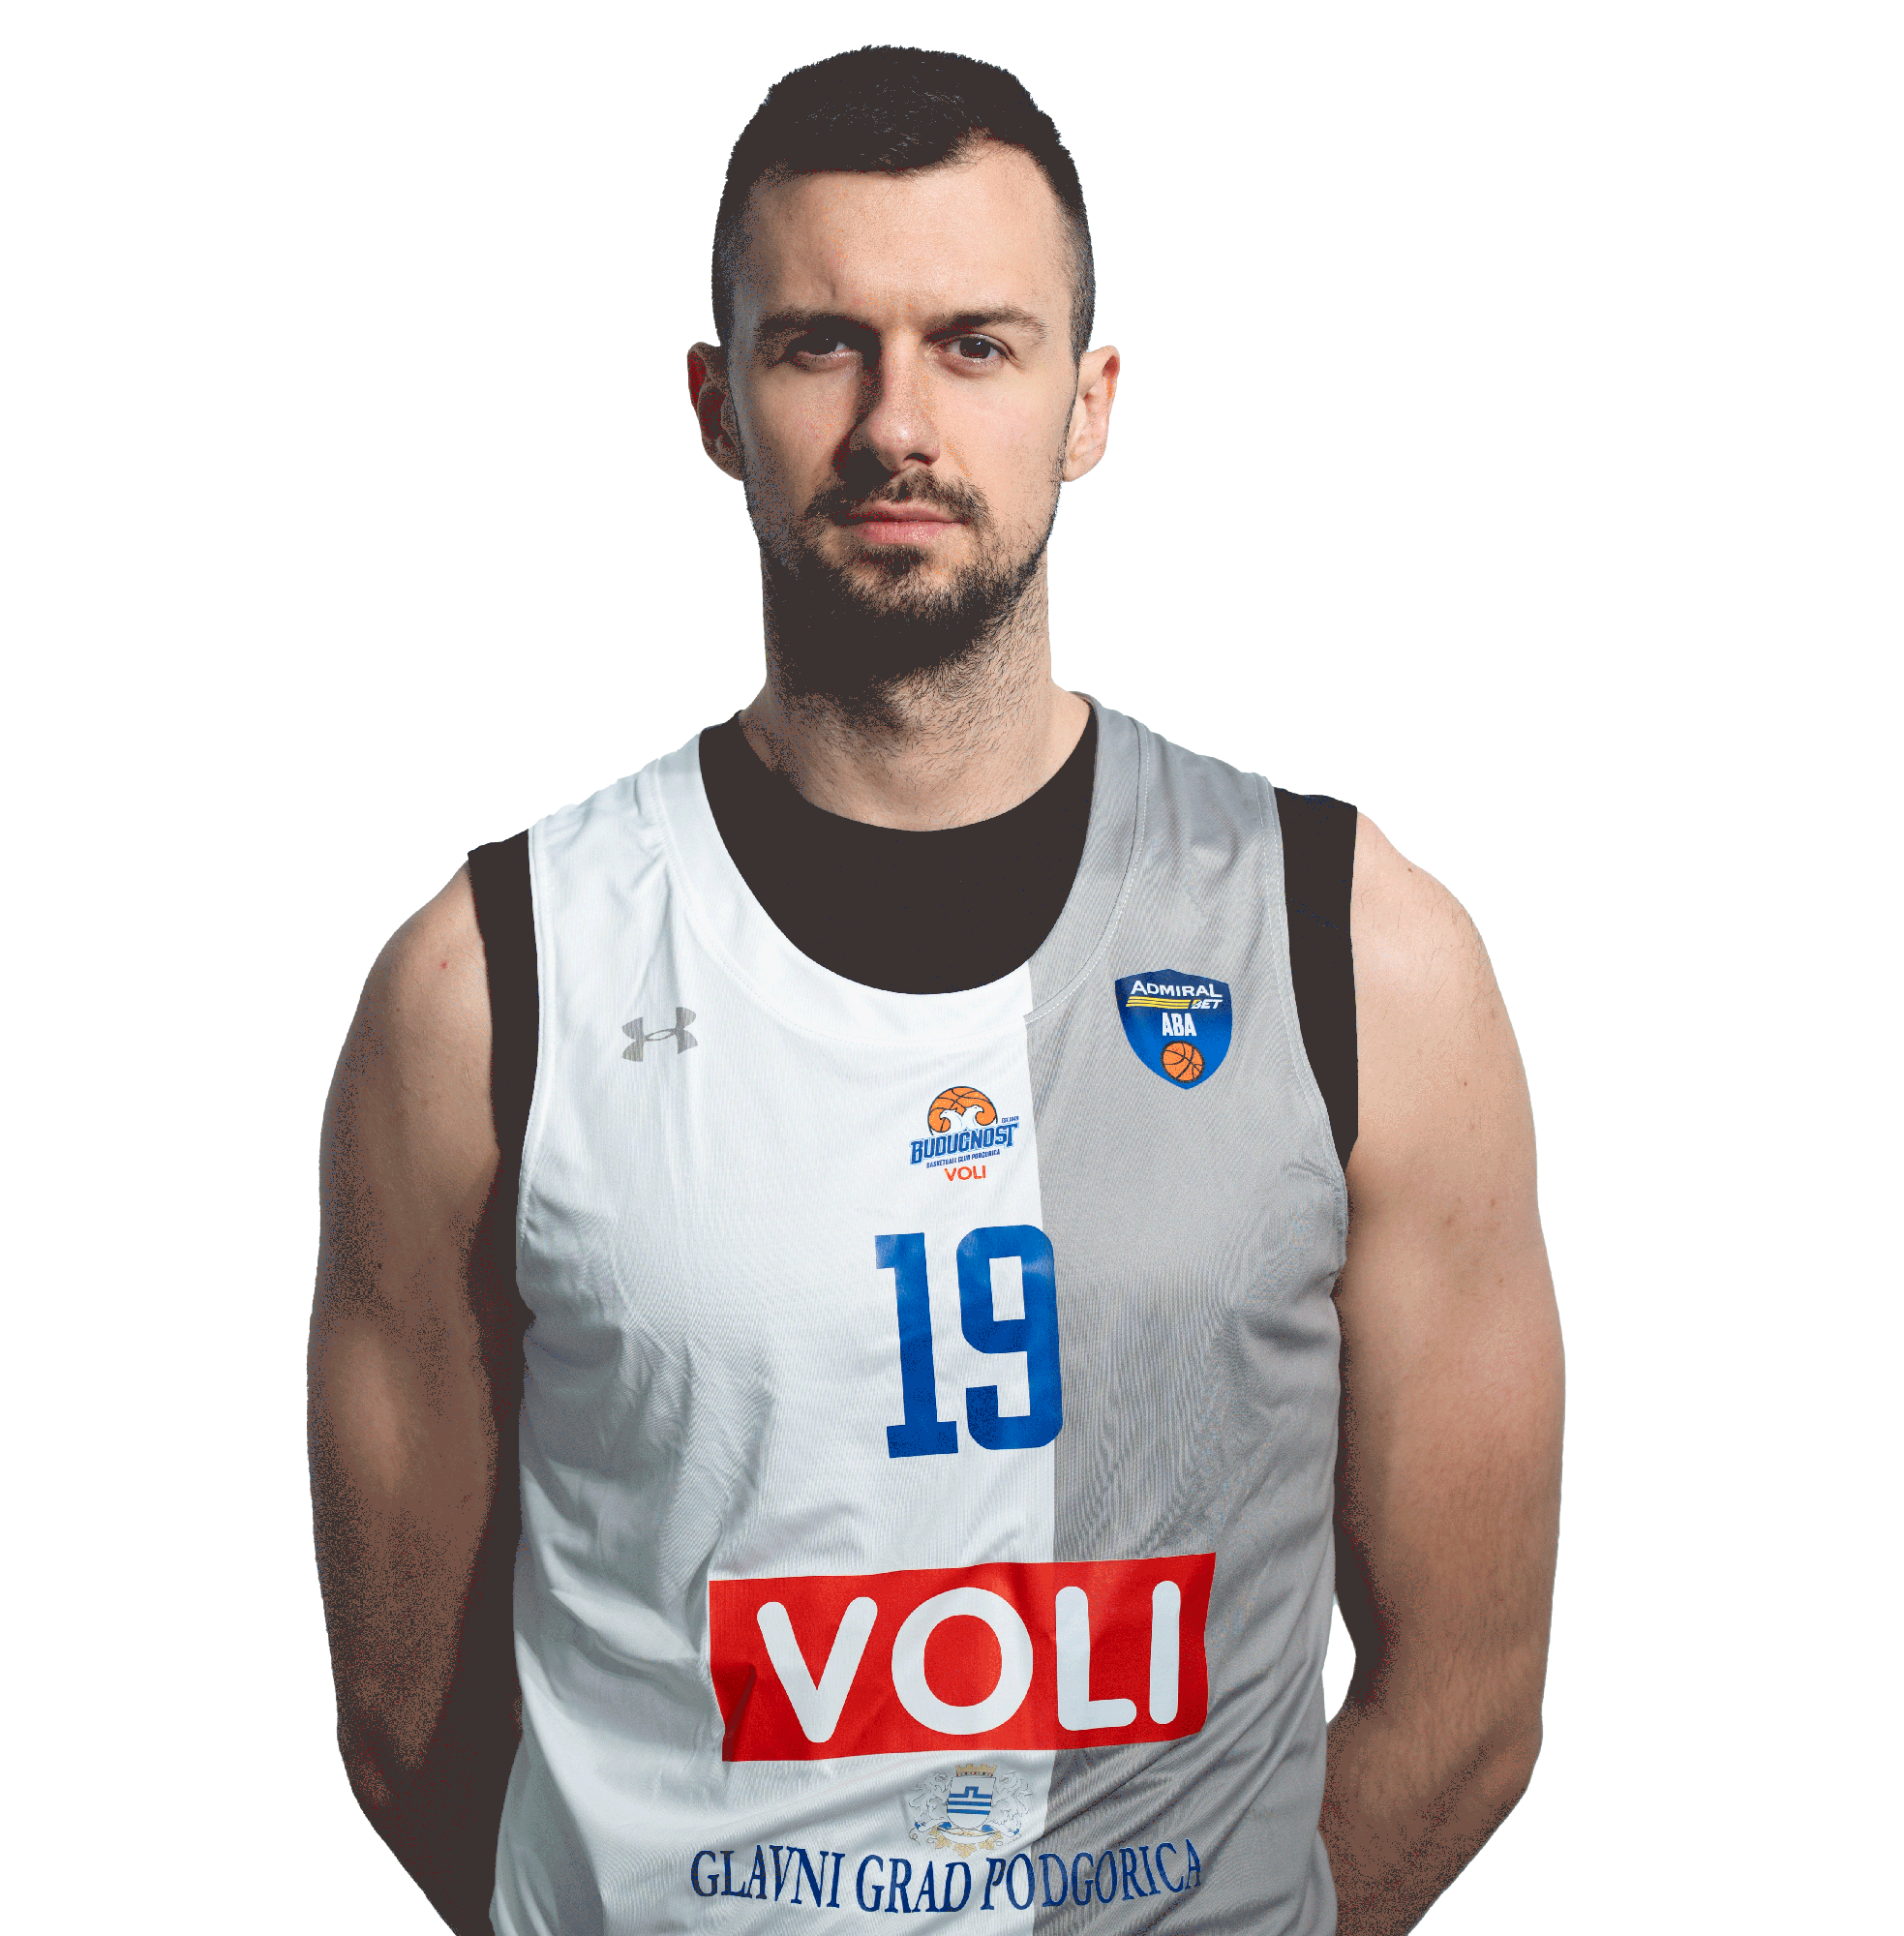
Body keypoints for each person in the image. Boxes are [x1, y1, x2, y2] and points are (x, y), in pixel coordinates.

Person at [309, 45, 1562, 1936]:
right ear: (717, 404)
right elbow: (410, 1729)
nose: (897, 421)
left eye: (977, 345)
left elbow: (1465, 1704)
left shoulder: (1359, 952)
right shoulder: (487, 988)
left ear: (1088, 402)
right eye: (823, 346)